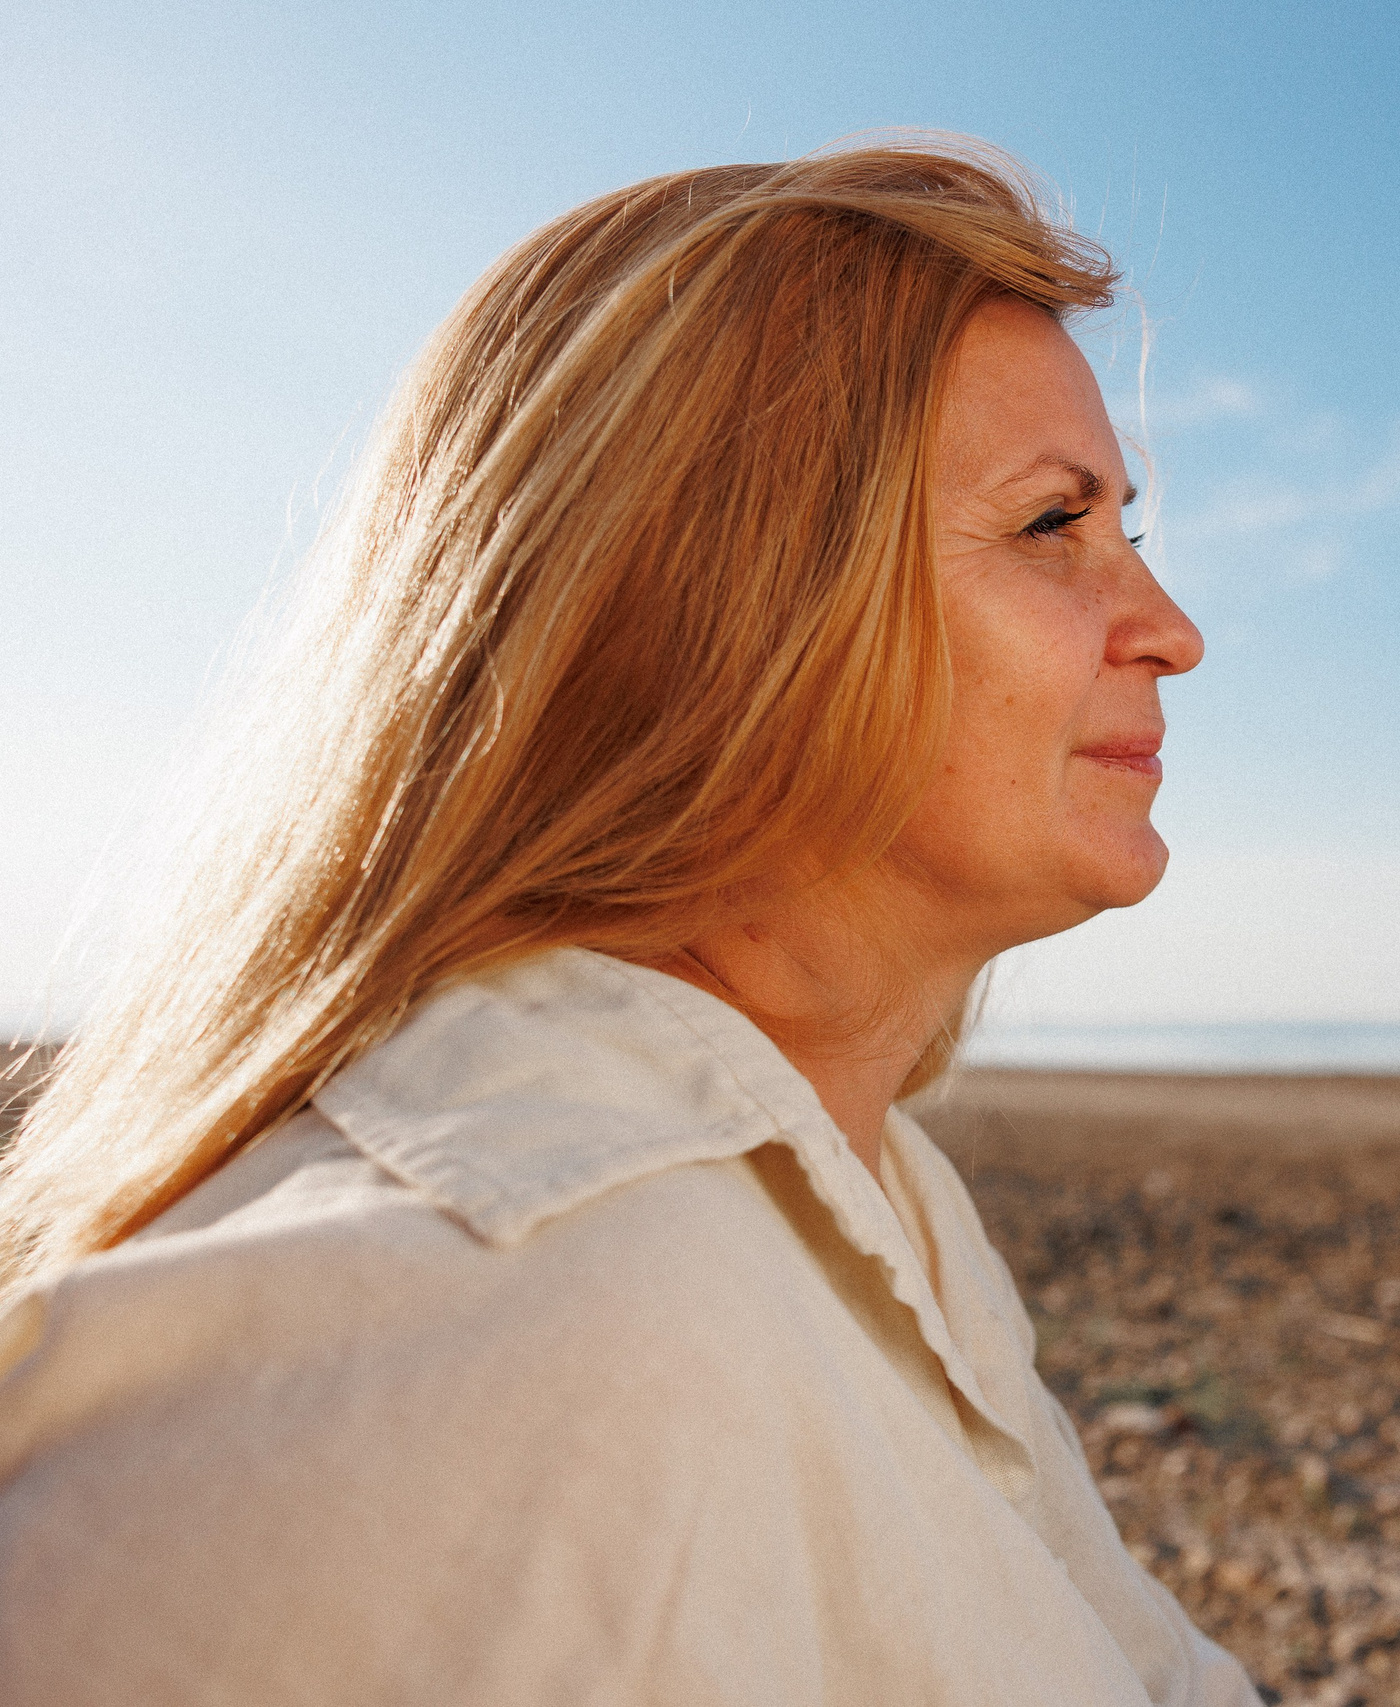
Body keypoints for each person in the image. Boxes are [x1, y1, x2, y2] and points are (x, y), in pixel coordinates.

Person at [0, 139, 1260, 1706]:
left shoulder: (858, 1193)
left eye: (1127, 527)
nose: (1172, 629)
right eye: (1052, 525)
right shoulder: (515, 1313)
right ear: (731, 610)